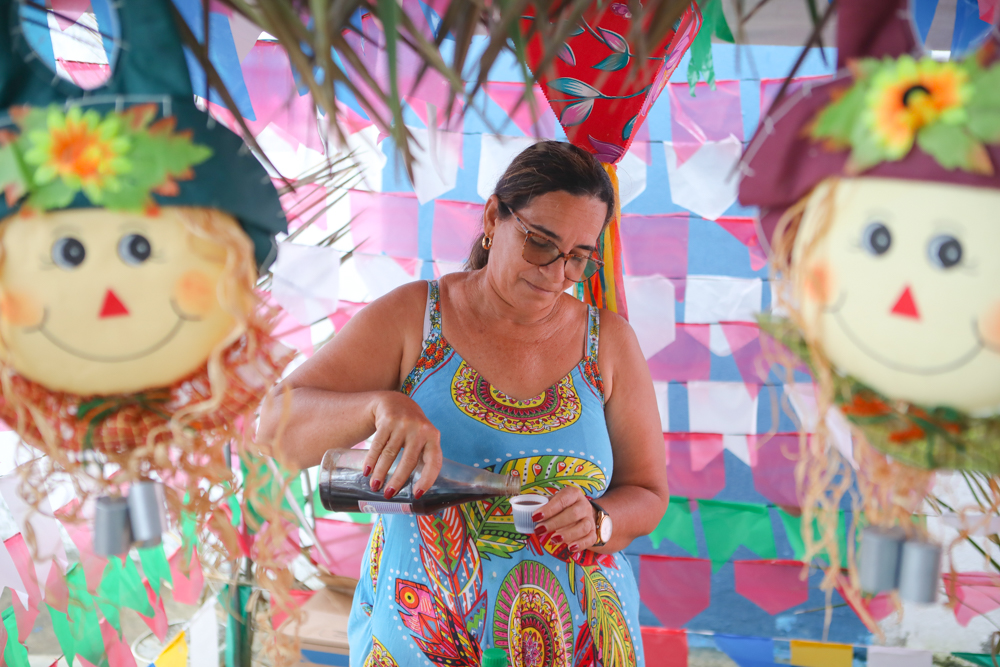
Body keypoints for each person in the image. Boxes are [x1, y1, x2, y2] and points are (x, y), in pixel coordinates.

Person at [259, 141, 668, 667]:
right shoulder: (415, 319)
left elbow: (649, 491)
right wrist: (379, 408)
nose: (554, 273)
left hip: (582, 644)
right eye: (540, 243)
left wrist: (601, 520)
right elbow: (274, 429)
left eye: (578, 258)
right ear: (495, 217)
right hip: (424, 641)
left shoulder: (607, 341)